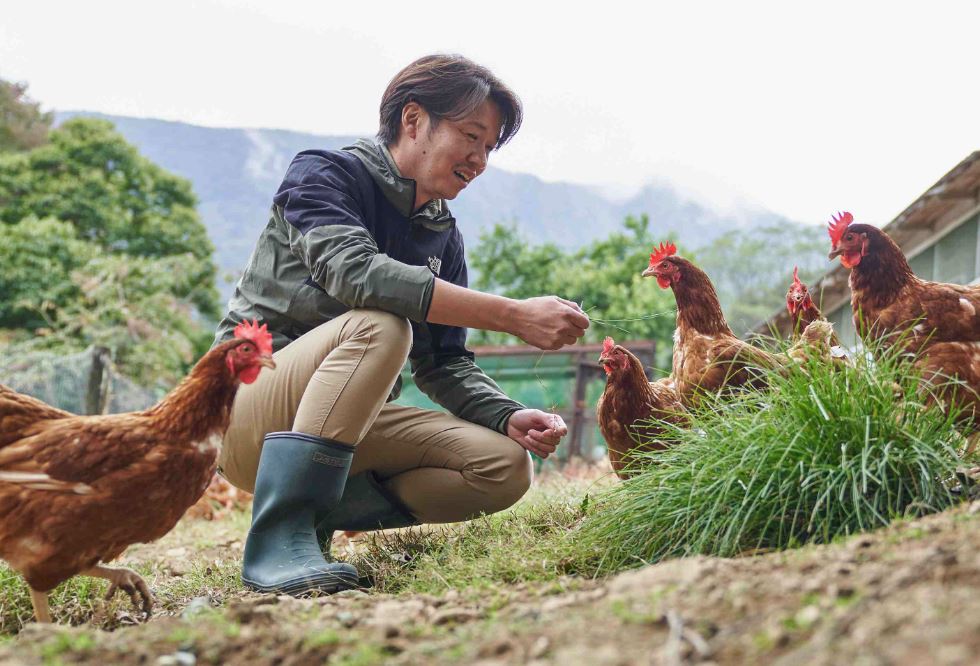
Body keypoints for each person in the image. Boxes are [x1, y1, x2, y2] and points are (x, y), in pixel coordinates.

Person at [212, 54, 590, 596]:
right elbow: (355, 274)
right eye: (471, 135)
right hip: (244, 405)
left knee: (504, 467)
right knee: (382, 326)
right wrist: (511, 315)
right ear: (414, 121)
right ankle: (278, 539)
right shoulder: (324, 174)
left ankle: (314, 520)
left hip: (347, 424)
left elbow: (443, 362)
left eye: (490, 147)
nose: (480, 159)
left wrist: (506, 414)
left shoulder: (443, 234)